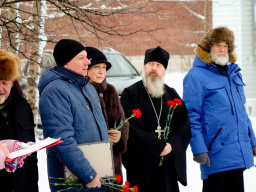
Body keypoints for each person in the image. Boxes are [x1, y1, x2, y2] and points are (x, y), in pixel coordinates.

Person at [183, 26, 256, 192]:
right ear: (208, 48)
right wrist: (199, 149)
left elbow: (241, 113)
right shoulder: (196, 76)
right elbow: (191, 116)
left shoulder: (234, 74)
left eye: (226, 46)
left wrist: (252, 141)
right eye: (218, 45)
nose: (222, 50)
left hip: (237, 153)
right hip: (215, 154)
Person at [38, 39, 108, 192]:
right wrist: (88, 175)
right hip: (76, 182)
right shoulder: (55, 91)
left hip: (97, 176)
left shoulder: (87, 86)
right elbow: (61, 140)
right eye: (81, 58)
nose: (88, 62)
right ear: (66, 62)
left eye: (87, 57)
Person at [120, 46, 191, 192]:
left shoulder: (172, 95)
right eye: (150, 64)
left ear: (164, 69)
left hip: (167, 167)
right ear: (144, 67)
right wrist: (157, 146)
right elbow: (131, 127)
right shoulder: (131, 94)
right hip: (141, 168)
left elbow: (183, 127)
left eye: (159, 65)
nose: (154, 68)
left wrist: (171, 144)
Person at [86, 47, 129, 183]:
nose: (101, 71)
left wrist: (120, 135)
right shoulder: (81, 92)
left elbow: (123, 121)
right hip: (90, 161)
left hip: (113, 160)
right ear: (86, 68)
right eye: (96, 67)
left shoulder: (110, 90)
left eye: (104, 67)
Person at [0, 49, 38, 191]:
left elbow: (32, 158)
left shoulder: (22, 106)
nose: (0, 88)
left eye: (5, 82)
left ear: (12, 82)